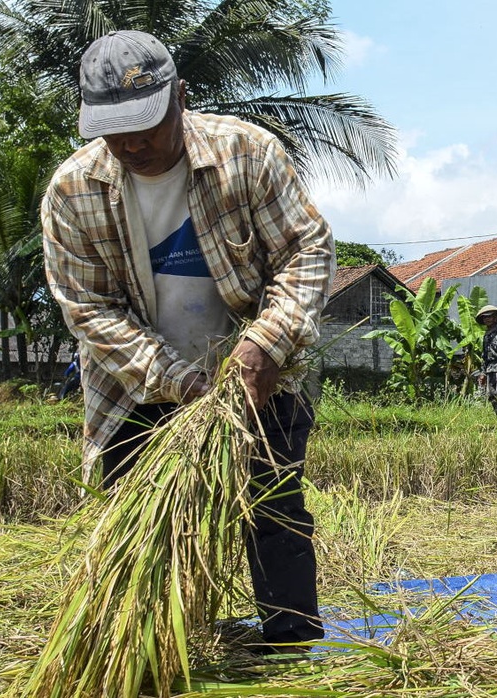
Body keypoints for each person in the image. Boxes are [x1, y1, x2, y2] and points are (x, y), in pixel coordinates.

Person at [41, 30, 334, 653]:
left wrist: (266, 343)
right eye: (115, 129)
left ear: (181, 96)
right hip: (134, 388)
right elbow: (90, 312)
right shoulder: (72, 193)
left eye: (147, 123)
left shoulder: (247, 154)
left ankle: (288, 644)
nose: (133, 143)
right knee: (144, 524)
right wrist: (183, 382)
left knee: (273, 506)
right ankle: (151, 645)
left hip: (260, 375)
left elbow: (305, 251)